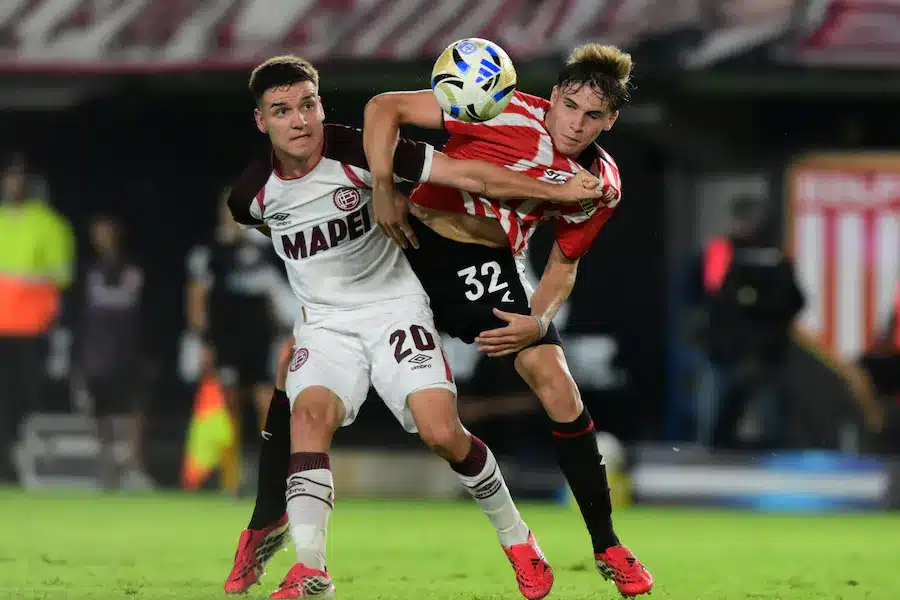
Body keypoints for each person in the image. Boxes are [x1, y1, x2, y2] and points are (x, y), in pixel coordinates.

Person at [223, 55, 609, 600]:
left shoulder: (360, 150)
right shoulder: (250, 195)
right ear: (262, 121)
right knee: (309, 416)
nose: (299, 120)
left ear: (321, 105)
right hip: (327, 325)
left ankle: (517, 536)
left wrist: (555, 191)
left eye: (307, 104)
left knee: (441, 434)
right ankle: (311, 570)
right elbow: (281, 236)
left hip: (397, 309)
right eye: (281, 111)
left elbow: (467, 173)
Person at [360, 43, 653, 597]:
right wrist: (382, 186)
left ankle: (608, 544)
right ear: (555, 96)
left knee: (556, 380)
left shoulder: (600, 186)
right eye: (569, 105)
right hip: (407, 243)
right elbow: (385, 107)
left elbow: (564, 265)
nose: (575, 123)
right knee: (323, 373)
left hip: (483, 268)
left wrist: (537, 323)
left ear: (610, 121)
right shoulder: (497, 105)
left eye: (593, 116)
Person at [186, 190, 289, 431]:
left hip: (260, 337)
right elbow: (196, 298)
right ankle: (229, 467)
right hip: (224, 339)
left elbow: (276, 295)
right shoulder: (208, 252)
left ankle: (273, 464)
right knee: (228, 403)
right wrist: (201, 340)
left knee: (268, 399)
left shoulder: (267, 248)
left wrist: (283, 334)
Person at [0, 154, 75, 482]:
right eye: (9, 176)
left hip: (32, 331)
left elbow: (62, 279)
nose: (13, 183)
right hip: (2, 330)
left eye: (20, 177)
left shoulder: (50, 225)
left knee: (28, 401)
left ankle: (24, 463)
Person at [75, 214, 151, 489]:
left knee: (135, 409)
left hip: (129, 350)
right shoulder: (86, 269)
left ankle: (134, 468)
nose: (103, 237)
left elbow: (146, 311)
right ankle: (106, 469)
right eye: (98, 232)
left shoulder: (134, 267)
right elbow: (76, 311)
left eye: (107, 231)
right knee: (98, 411)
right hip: (95, 353)